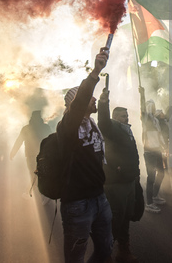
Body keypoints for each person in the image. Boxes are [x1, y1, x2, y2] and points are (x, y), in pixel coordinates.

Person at [56, 48, 112, 263]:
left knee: (106, 249)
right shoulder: (68, 126)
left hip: (99, 197)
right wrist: (95, 72)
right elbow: (79, 103)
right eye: (90, 97)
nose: (94, 99)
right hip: (78, 204)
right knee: (75, 258)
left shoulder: (90, 123)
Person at [98, 88, 141, 263]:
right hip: (116, 183)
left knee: (126, 218)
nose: (127, 118)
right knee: (115, 220)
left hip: (129, 181)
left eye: (127, 115)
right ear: (115, 118)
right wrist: (103, 103)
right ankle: (104, 254)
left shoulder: (127, 130)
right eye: (123, 116)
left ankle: (123, 251)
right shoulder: (112, 129)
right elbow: (103, 122)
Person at [139, 87, 167, 214]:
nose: (153, 108)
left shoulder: (155, 120)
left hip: (157, 150)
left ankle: (155, 195)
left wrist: (163, 147)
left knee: (162, 172)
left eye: (154, 105)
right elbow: (143, 109)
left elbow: (159, 135)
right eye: (152, 106)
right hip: (150, 152)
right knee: (151, 177)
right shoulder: (146, 119)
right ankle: (149, 203)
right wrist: (143, 95)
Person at [10, 110, 51, 180]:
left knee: (33, 174)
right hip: (43, 156)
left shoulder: (26, 128)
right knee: (43, 175)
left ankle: (35, 189)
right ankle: (39, 189)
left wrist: (13, 153)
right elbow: (51, 141)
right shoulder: (45, 127)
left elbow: (19, 141)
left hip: (32, 155)